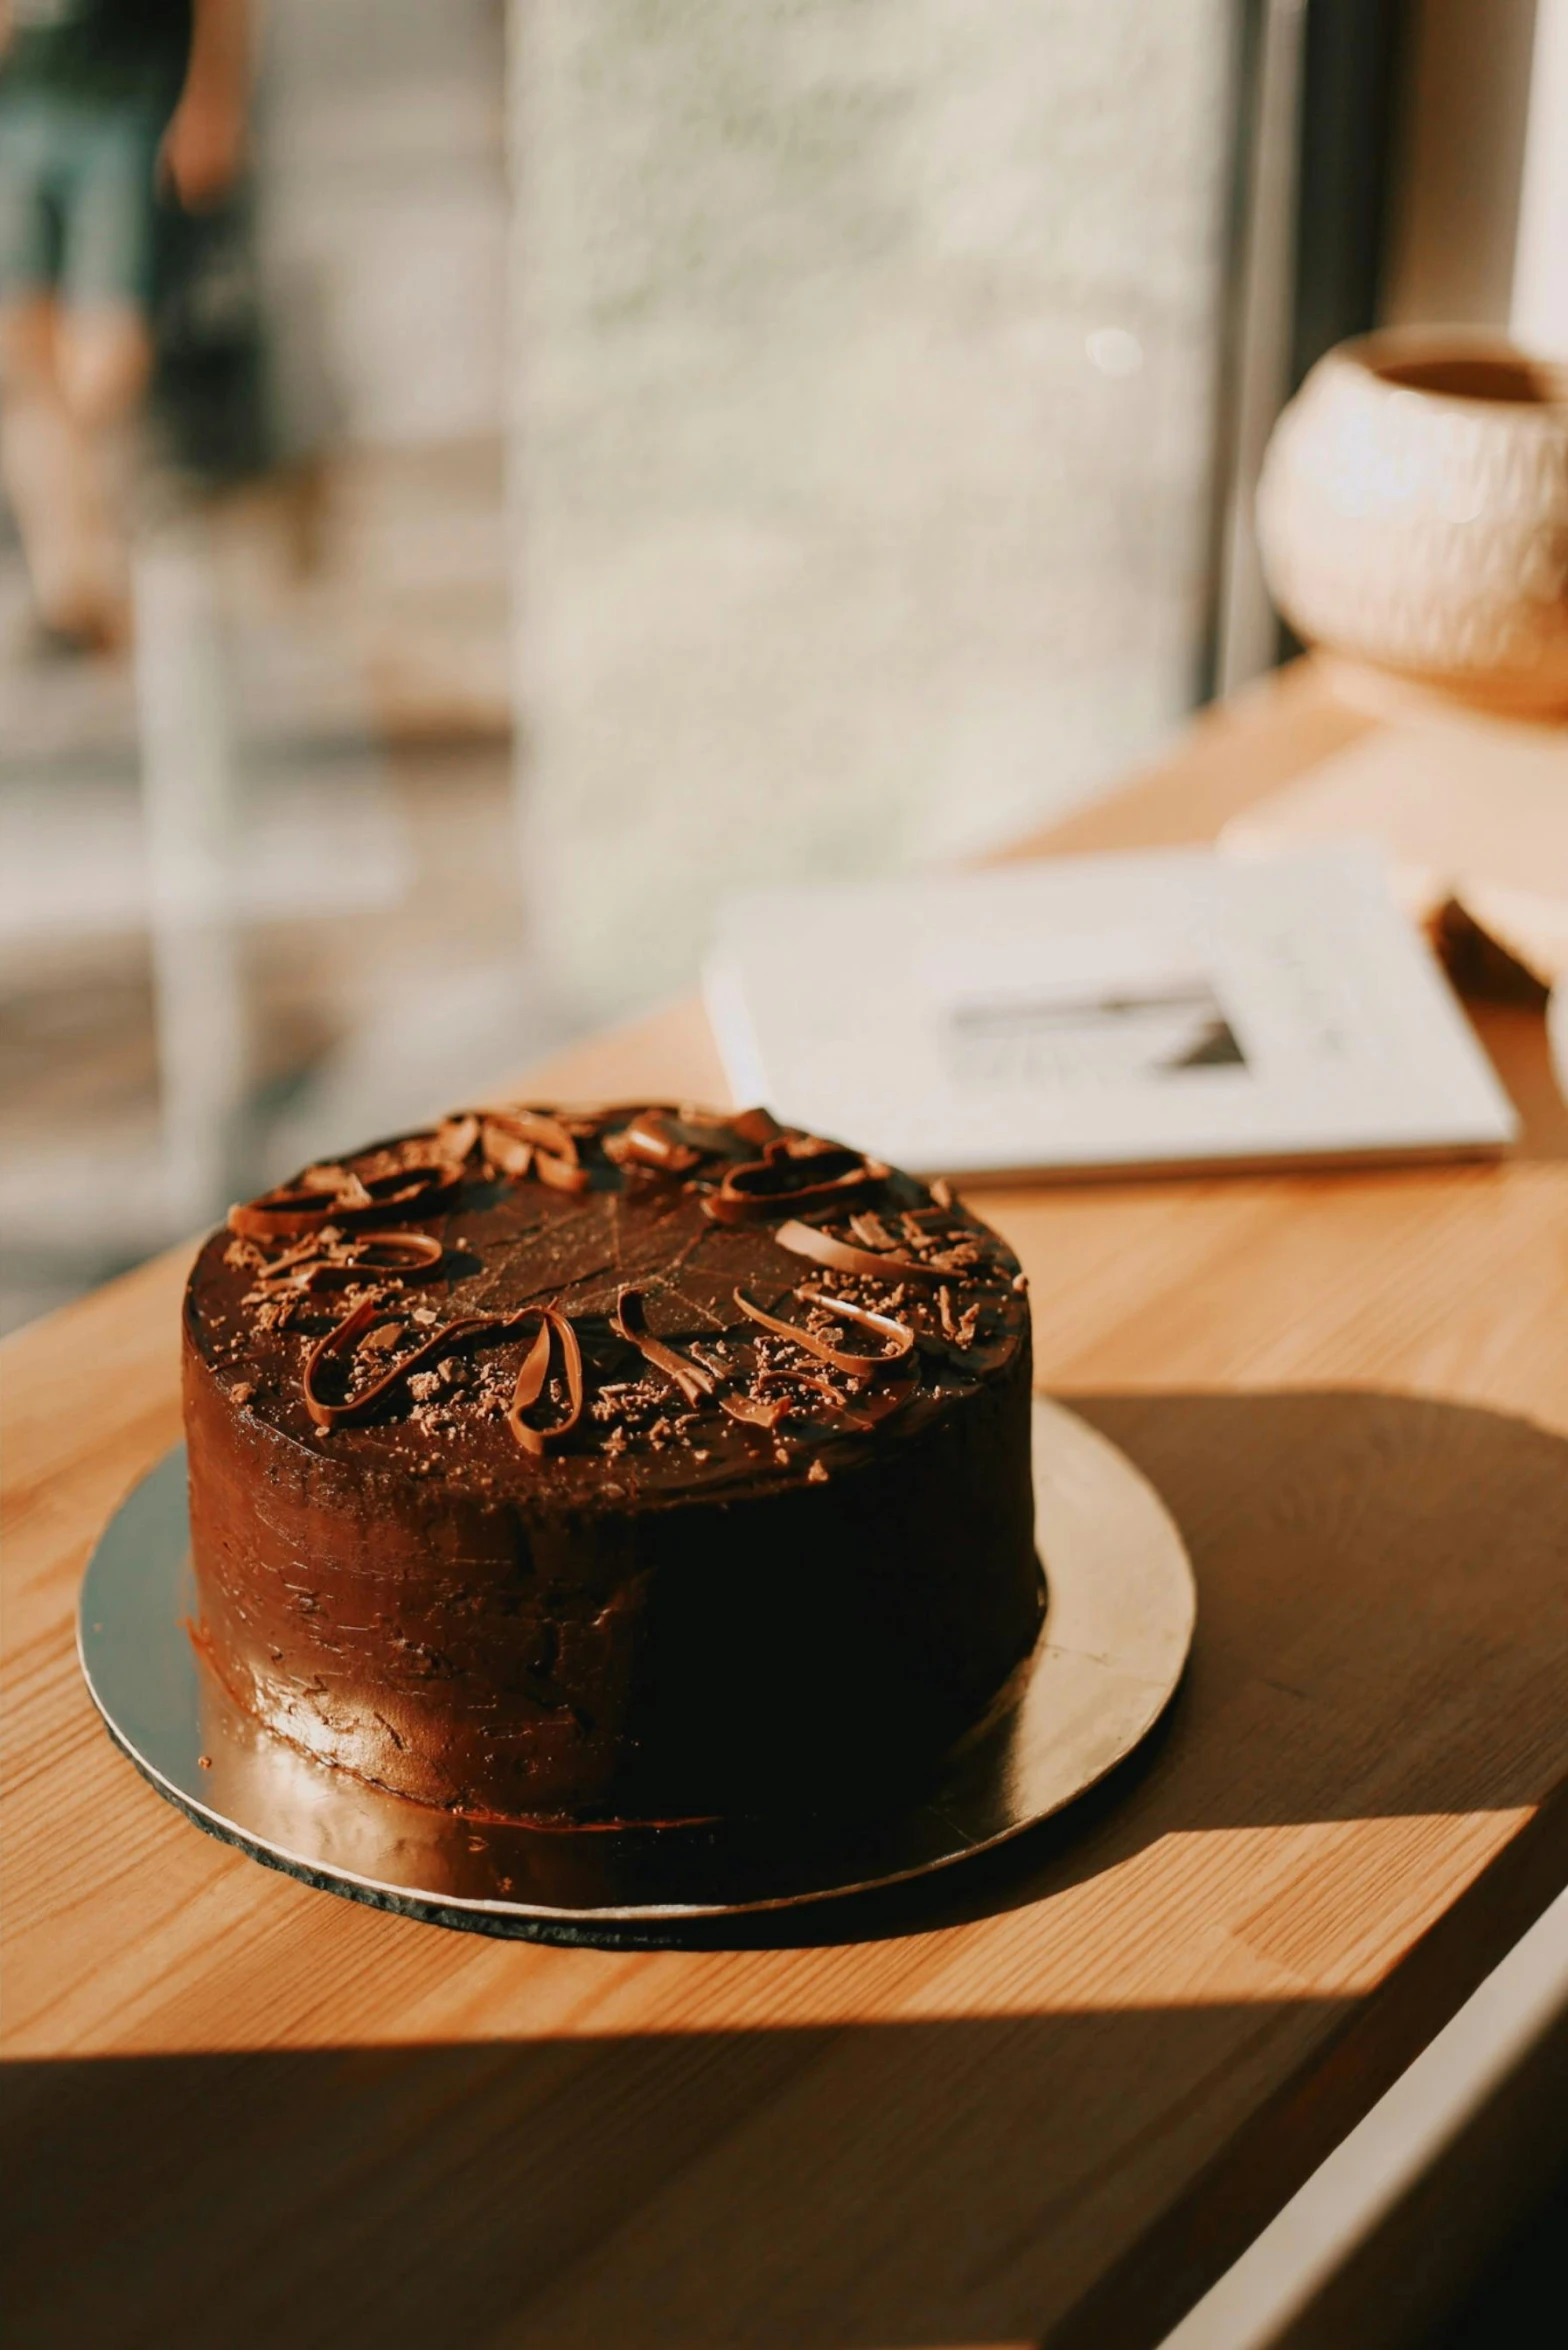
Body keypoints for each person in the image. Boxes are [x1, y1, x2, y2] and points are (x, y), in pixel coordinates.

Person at [0, 0, 250, 653]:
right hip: (20, 112)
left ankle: (101, 563)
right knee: (23, 354)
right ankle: (71, 584)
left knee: (106, 362)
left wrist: (213, 102)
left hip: (124, 110)